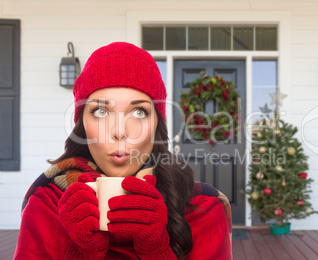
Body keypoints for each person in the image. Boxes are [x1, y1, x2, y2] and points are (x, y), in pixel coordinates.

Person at [14, 42, 232, 259]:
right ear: (82, 126)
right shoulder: (48, 201)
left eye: (139, 112)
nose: (119, 131)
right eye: (100, 111)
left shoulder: (203, 206)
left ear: (157, 124)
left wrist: (156, 251)